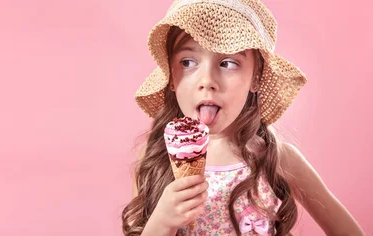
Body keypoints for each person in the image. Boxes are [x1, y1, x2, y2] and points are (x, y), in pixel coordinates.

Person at [121, 0, 364, 235]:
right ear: (171, 77)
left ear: (256, 78)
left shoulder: (276, 158)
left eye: (228, 63)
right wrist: (162, 222)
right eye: (188, 62)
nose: (207, 81)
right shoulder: (155, 158)